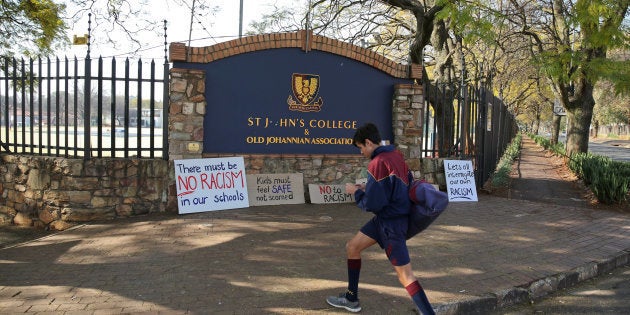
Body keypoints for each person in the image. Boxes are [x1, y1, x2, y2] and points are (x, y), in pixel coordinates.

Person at [326, 123, 435, 314]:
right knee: (352, 247)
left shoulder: (377, 164)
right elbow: (398, 187)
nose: (361, 152)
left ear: (368, 142)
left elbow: (373, 204)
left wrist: (355, 193)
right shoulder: (395, 156)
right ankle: (351, 298)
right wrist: (367, 189)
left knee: (406, 276)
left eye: (361, 147)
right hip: (386, 220)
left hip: (391, 226)